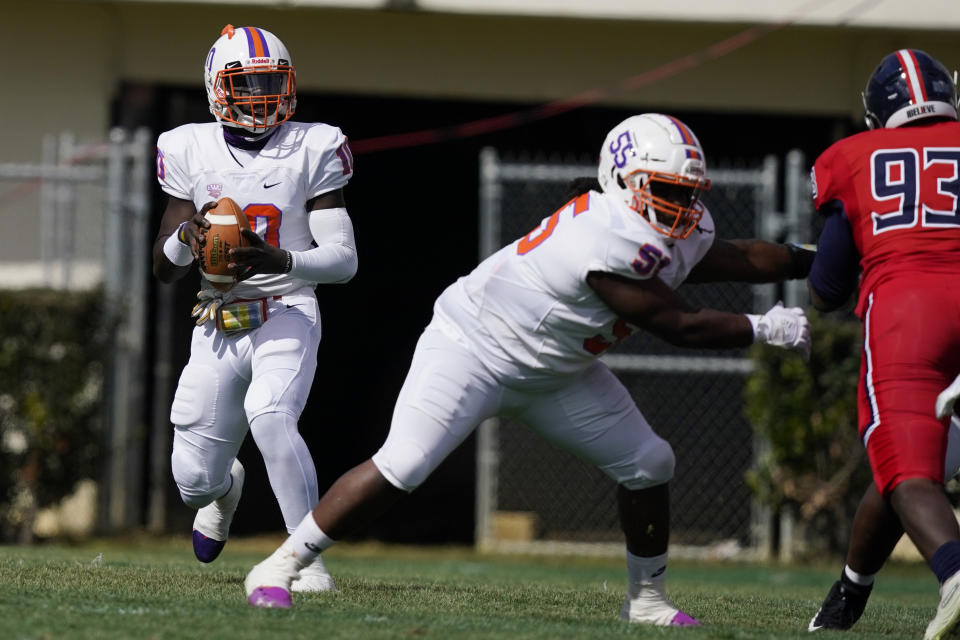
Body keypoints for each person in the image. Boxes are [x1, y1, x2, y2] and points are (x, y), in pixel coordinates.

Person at [242, 112, 813, 624]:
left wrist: (814, 261)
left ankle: (646, 601)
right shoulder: (604, 234)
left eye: (688, 192)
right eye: (666, 189)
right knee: (405, 464)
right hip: (471, 351)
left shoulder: (669, 223)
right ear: (623, 182)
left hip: (554, 371)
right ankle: (278, 566)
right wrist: (765, 327)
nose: (681, 206)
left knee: (649, 461)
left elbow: (733, 257)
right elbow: (676, 323)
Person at [151, 24, 358, 592]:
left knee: (271, 415)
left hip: (286, 308)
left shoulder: (314, 145)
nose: (261, 95)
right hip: (217, 319)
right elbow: (163, 269)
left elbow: (342, 262)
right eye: (248, 84)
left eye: (271, 81)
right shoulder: (187, 146)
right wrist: (187, 238)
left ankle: (305, 560)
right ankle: (223, 493)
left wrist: (279, 260)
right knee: (193, 482)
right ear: (217, 87)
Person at [803, 49, 960, 639]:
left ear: (875, 117)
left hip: (910, 313)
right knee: (902, 472)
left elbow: (827, 289)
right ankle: (849, 595)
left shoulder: (852, 157)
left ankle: (955, 572)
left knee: (907, 471)